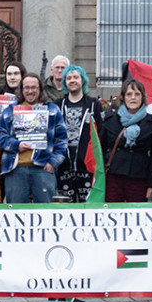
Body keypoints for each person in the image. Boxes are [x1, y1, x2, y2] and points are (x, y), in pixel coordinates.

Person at [0, 73, 67, 204]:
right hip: (15, 169)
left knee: (46, 214)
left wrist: (53, 162)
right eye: (27, 88)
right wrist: (16, 145)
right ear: (21, 90)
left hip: (43, 168)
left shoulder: (52, 110)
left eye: (34, 87)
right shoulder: (10, 110)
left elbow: (62, 140)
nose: (30, 91)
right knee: (15, 214)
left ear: (40, 89)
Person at [98, 78, 152, 202]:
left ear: (143, 97)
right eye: (129, 94)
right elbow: (101, 150)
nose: (133, 98)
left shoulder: (151, 122)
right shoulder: (111, 120)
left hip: (139, 177)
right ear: (123, 97)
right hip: (113, 177)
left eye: (137, 94)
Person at [55, 65, 102, 202]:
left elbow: (101, 134)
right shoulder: (57, 105)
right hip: (63, 166)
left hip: (87, 166)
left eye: (76, 77)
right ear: (64, 82)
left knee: (87, 208)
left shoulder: (94, 105)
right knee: (64, 209)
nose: (72, 80)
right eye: (68, 78)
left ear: (83, 80)